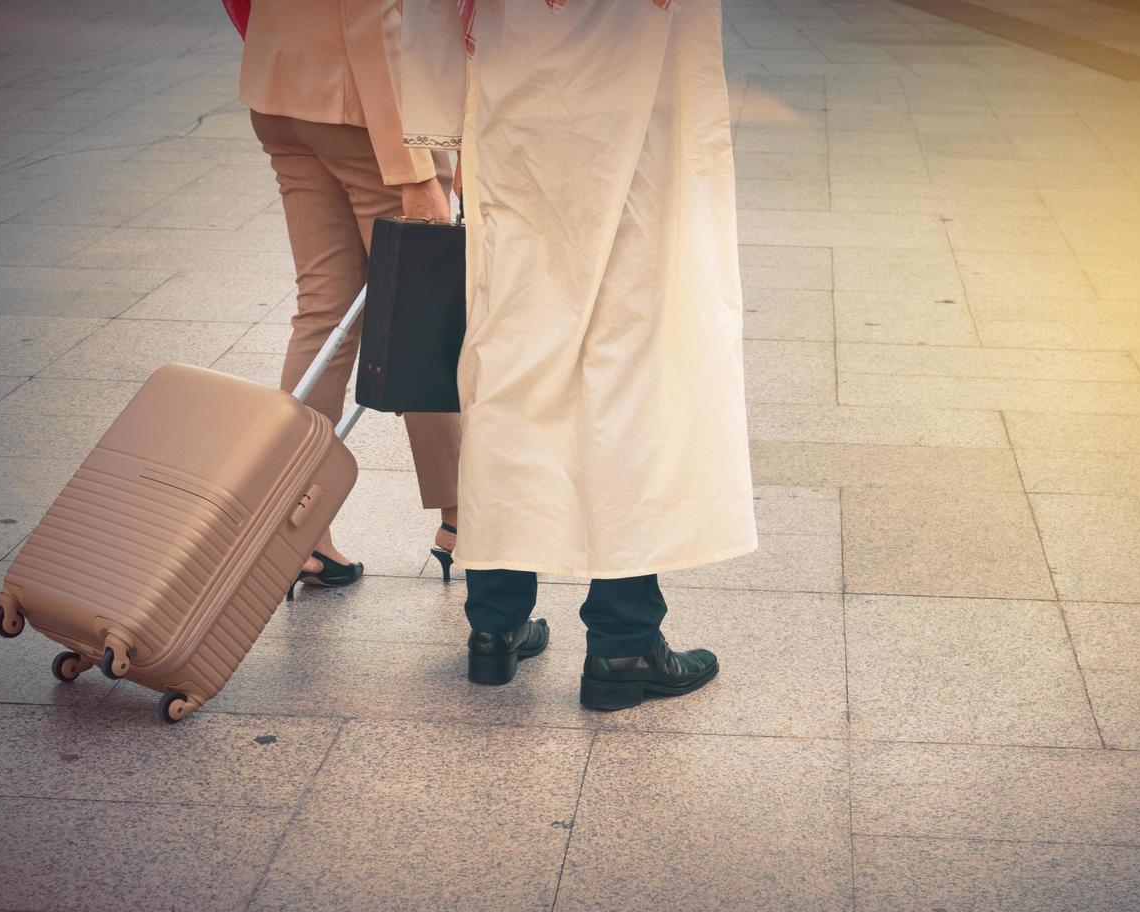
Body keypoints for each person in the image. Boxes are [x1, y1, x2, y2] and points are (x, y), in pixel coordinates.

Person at [404, 0, 756, 709]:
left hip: (518, 95)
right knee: (630, 363)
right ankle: (624, 644)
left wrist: (443, 125)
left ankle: (494, 628)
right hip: (643, 92)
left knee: (512, 363)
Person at [239, 0, 464, 593]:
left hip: (282, 82)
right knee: (421, 315)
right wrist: (415, 170)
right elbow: (374, 14)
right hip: (367, 110)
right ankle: (465, 516)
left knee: (323, 310)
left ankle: (297, 529)